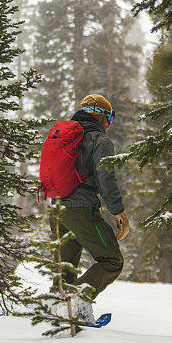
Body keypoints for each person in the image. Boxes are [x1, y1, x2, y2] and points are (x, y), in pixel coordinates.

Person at [50, 94, 130, 323]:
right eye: (110, 117)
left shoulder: (65, 136)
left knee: (65, 267)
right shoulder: (99, 139)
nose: (110, 124)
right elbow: (106, 179)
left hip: (56, 208)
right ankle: (78, 302)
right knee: (112, 260)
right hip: (80, 209)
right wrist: (119, 213)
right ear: (101, 115)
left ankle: (58, 311)